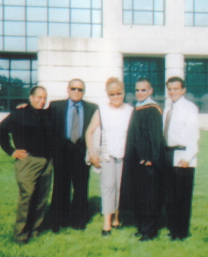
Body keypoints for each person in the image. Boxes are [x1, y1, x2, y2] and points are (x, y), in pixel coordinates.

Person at [0, 86, 52, 244]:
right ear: (31, 97)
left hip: (46, 161)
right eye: (38, 97)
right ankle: (20, 234)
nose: (41, 101)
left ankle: (35, 230)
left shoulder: (48, 114)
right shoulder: (19, 114)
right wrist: (11, 151)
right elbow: (0, 130)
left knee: (41, 198)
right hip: (28, 161)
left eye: (44, 98)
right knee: (27, 196)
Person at [85, 78, 133, 236]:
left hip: (125, 155)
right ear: (107, 94)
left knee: (121, 187)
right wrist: (92, 153)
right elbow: (89, 132)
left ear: (123, 92)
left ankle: (116, 218)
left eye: (119, 93)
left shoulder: (130, 110)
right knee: (108, 187)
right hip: (107, 154)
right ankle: (107, 224)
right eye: (112, 94)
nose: (116, 97)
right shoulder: (101, 110)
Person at [49, 79, 98, 233]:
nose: (77, 92)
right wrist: (24, 107)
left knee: (81, 188)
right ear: (68, 89)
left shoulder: (92, 108)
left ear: (84, 91)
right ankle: (59, 221)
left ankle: (78, 221)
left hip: (81, 152)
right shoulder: (56, 106)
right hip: (62, 151)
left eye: (80, 89)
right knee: (60, 187)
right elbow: (41, 117)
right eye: (74, 88)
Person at [120, 78, 165, 241]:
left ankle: (150, 231)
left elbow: (155, 136)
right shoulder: (137, 108)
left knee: (149, 197)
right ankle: (141, 227)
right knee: (139, 195)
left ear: (151, 91)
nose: (140, 93)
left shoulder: (153, 109)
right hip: (135, 160)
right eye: (137, 90)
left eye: (143, 90)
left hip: (147, 161)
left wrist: (151, 157)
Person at [163, 77, 199, 240]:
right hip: (169, 155)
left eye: (176, 89)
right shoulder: (168, 107)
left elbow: (193, 134)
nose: (172, 92)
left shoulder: (189, 108)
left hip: (183, 156)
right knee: (170, 197)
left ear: (183, 90)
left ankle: (181, 232)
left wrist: (187, 158)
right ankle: (172, 229)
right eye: (170, 89)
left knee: (182, 198)